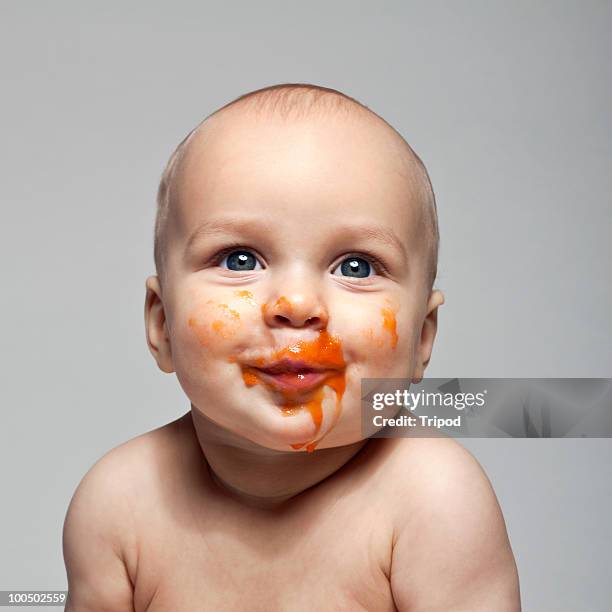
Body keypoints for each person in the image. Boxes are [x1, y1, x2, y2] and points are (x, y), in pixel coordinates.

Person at [63, 83, 521, 611]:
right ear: (162, 323)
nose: (298, 304)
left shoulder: (432, 499)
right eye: (239, 259)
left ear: (422, 339)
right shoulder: (118, 504)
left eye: (356, 267)